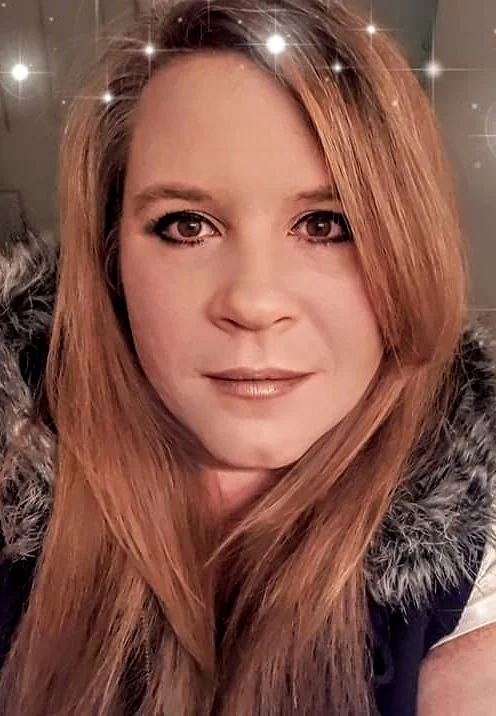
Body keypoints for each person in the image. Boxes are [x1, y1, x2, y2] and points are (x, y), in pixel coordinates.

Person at [0, 0, 495, 713]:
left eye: (326, 225)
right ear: (111, 263)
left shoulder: (474, 576)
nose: (254, 302)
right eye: (187, 225)